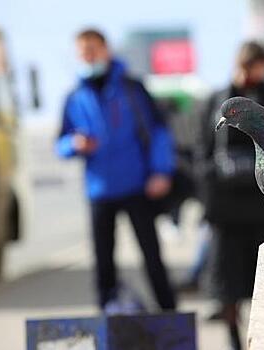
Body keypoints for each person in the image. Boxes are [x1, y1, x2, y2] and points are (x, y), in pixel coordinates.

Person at [55, 29, 176, 312]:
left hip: (138, 185)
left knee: (152, 257)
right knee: (103, 264)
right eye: (83, 51)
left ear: (106, 49)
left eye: (93, 49)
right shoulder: (73, 97)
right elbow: (60, 143)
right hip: (99, 191)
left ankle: (172, 320)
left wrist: (161, 171)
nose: (89, 55)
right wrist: (74, 144)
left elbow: (159, 132)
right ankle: (105, 323)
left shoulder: (133, 88)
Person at [196, 41, 264, 350]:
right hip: (228, 211)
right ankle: (234, 344)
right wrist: (209, 197)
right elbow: (202, 150)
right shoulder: (216, 99)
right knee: (228, 288)